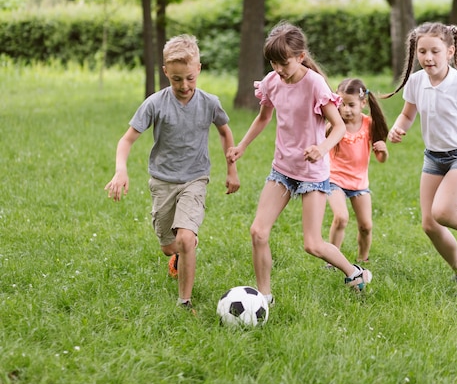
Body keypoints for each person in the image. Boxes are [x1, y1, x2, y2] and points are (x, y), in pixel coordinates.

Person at [226, 22, 372, 305]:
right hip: (282, 168)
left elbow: (339, 126)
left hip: (312, 174)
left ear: (300, 56)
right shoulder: (271, 82)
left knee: (312, 244)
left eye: (284, 62)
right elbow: (263, 118)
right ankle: (264, 296)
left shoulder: (315, 84)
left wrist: (322, 148)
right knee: (258, 231)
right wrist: (242, 146)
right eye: (273, 62)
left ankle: (354, 272)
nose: (278, 69)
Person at [104, 34, 240, 311]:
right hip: (162, 181)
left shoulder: (210, 102)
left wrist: (231, 169)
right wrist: (121, 171)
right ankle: (177, 253)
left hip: (195, 178)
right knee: (170, 246)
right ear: (166, 72)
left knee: (185, 238)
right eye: (176, 79)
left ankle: (184, 301)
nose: (184, 85)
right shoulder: (155, 103)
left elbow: (225, 132)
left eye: (190, 78)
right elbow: (126, 140)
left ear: (199, 68)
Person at [383, 22, 457, 281]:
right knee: (429, 224)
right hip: (433, 157)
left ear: (450, 51)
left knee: (441, 211)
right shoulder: (417, 81)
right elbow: (408, 113)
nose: (428, 57)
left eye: (435, 51)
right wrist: (397, 127)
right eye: (422, 51)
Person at [325, 78, 389, 265]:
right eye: (342, 104)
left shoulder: (369, 124)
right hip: (334, 179)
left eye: (351, 105)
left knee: (366, 226)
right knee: (341, 217)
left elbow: (380, 159)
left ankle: (363, 258)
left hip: (359, 183)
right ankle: (332, 260)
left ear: (363, 103)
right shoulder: (334, 124)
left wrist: (383, 151)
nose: (346, 109)